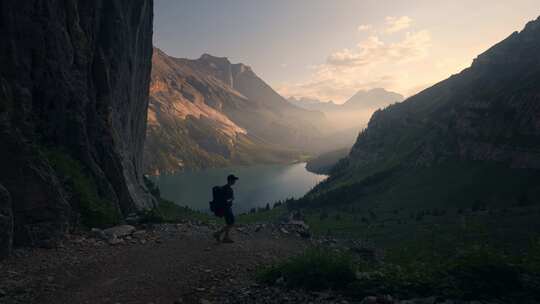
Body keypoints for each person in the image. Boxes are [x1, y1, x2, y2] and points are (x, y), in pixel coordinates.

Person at [213, 174, 238, 243]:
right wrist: (232, 199)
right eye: (234, 180)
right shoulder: (228, 189)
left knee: (228, 223)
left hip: (224, 209)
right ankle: (218, 233)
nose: (235, 181)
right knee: (232, 223)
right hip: (227, 209)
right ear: (230, 180)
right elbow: (226, 200)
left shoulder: (223, 187)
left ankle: (225, 237)